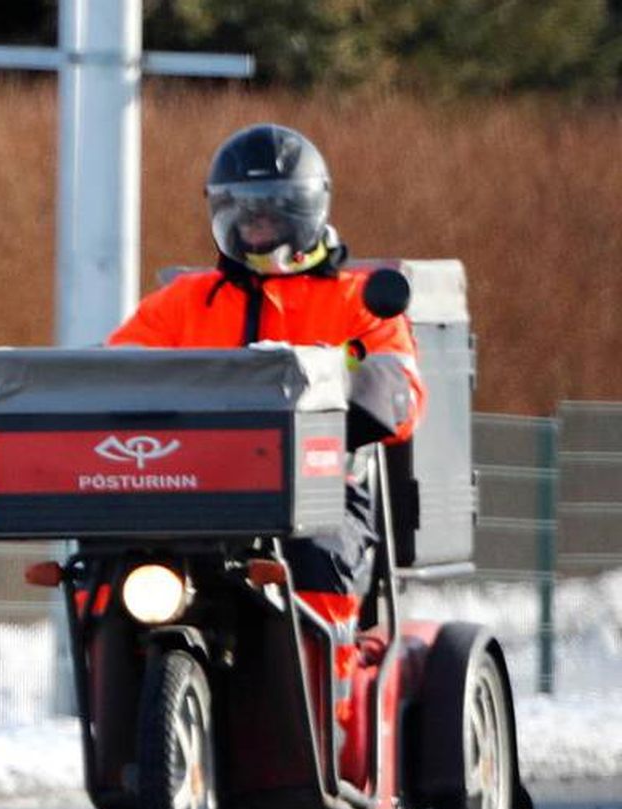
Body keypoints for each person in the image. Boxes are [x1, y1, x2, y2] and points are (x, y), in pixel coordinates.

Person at [107, 122, 426, 739]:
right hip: (195, 487)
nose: (257, 228)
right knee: (111, 567)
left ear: (306, 212)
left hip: (323, 484)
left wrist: (339, 408)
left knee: (319, 555)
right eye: (244, 214)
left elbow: (400, 392)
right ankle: (123, 721)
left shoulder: (359, 298)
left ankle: (323, 710)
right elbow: (119, 369)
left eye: (275, 213)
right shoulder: (184, 302)